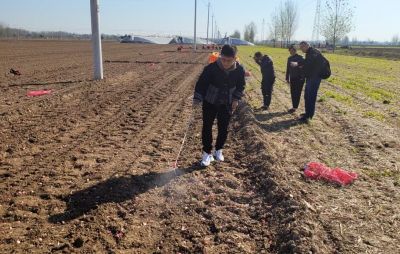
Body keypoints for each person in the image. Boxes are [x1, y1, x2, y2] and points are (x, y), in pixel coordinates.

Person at [193, 45, 246, 167]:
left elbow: (241, 86)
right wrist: (197, 98)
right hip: (210, 101)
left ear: (235, 58)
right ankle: (207, 153)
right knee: (207, 126)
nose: (226, 63)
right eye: (223, 59)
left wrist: (236, 99)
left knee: (224, 127)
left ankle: (219, 150)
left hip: (226, 103)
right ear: (220, 57)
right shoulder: (211, 68)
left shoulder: (239, 70)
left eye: (229, 60)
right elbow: (201, 84)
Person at [297, 41, 324, 123]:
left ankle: (309, 116)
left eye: (302, 47)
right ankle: (307, 113)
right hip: (310, 77)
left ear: (306, 46)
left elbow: (308, 63)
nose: (301, 49)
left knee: (311, 96)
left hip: (315, 78)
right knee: (307, 96)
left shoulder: (313, 52)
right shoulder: (310, 52)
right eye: (300, 47)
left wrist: (299, 64)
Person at [285, 45, 305, 113]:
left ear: (295, 50)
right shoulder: (289, 58)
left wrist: (302, 77)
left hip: (299, 78)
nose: (290, 52)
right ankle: (294, 107)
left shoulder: (301, 58)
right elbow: (288, 68)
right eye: (289, 51)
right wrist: (287, 77)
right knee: (293, 92)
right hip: (292, 78)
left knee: (297, 93)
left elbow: (305, 66)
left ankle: (295, 107)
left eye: (291, 50)